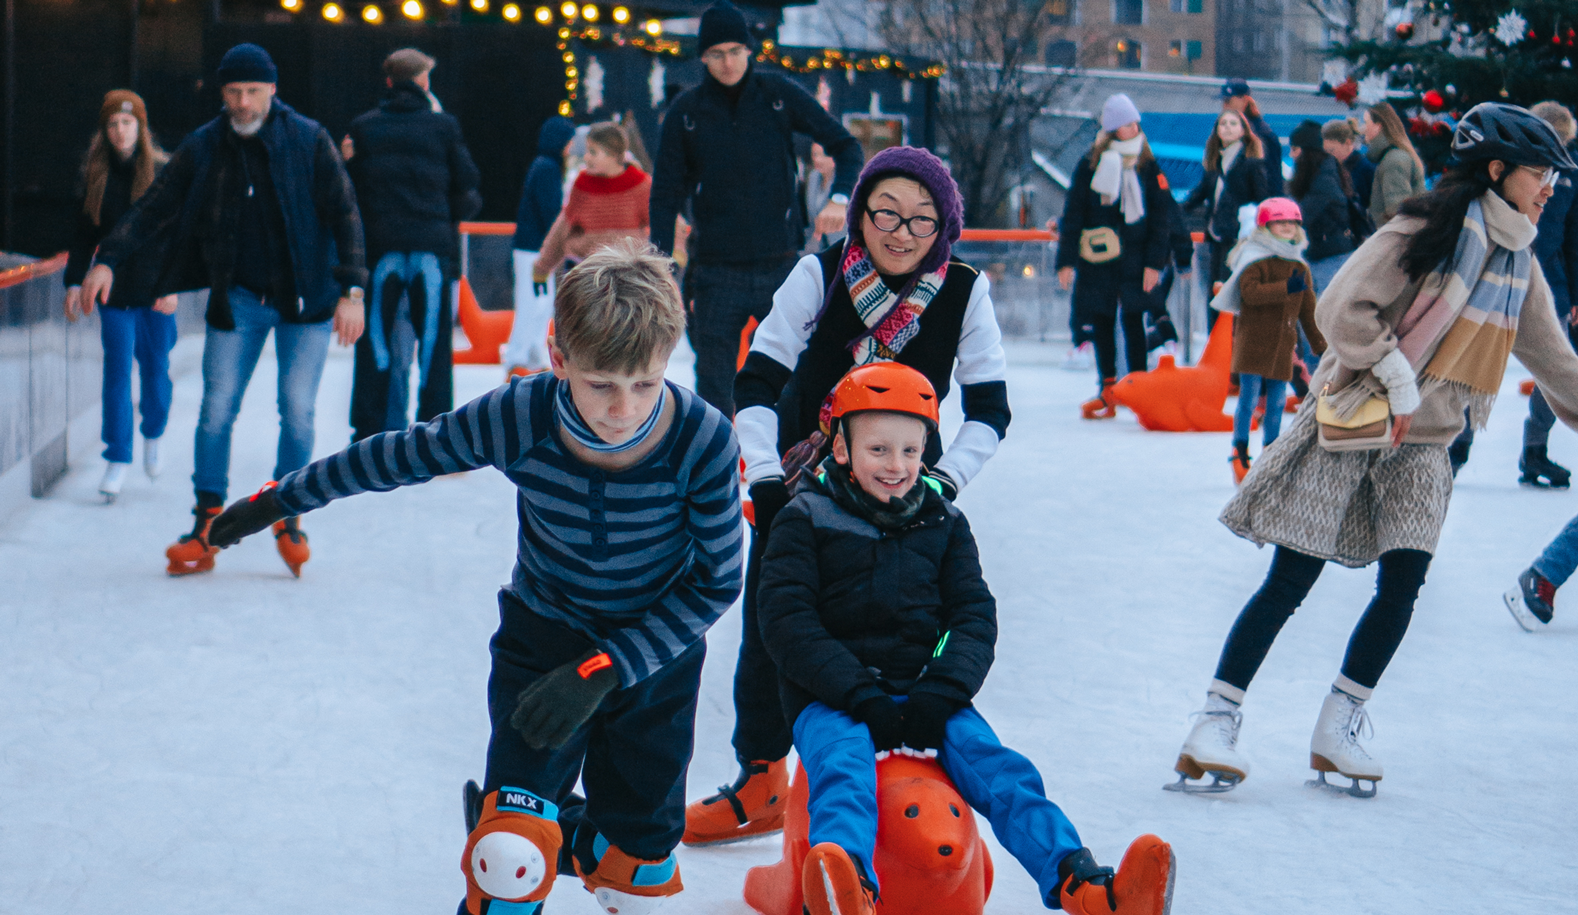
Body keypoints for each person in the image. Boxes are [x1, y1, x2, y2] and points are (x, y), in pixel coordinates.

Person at [204, 242, 743, 915]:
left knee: (631, 876)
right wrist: (284, 497)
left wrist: (609, 667)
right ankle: (515, 821)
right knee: (509, 859)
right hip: (545, 636)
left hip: (653, 661)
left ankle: (559, 829)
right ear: (559, 357)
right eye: (601, 382)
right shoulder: (521, 414)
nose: (623, 408)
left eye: (645, 383)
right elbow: (405, 454)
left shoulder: (703, 439)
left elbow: (718, 580)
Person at [1171, 103, 1578, 798]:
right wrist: (1395, 378)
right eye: (1542, 173)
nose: (1551, 188)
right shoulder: (1424, 229)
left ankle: (1339, 723)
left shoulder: (1519, 263)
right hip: (1355, 421)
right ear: (1499, 169)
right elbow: (1341, 308)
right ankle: (1215, 719)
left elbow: (1556, 361)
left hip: (1427, 445)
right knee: (1291, 579)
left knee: (1403, 585)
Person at [757, 362, 1174, 915]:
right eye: (878, 449)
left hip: (928, 691)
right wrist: (856, 693)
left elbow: (973, 615)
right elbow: (788, 621)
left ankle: (1086, 884)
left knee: (1004, 773)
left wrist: (942, 690)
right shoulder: (804, 519)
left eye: (910, 450)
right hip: (832, 699)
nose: (897, 466)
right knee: (843, 771)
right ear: (841, 449)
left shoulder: (943, 523)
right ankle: (845, 886)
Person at [683, 146, 1010, 847]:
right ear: (860, 211)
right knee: (774, 628)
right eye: (885, 211)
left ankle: (903, 760)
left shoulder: (962, 290)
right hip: (804, 482)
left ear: (943, 227)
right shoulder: (821, 271)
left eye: (921, 219)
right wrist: (766, 476)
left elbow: (990, 409)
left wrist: (941, 483)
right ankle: (761, 777)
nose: (900, 231)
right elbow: (758, 380)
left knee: (906, 622)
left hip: (905, 486)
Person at [78, 43, 366, 578]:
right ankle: (207, 520)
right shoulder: (206, 145)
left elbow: (346, 213)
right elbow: (156, 205)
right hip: (238, 300)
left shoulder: (308, 139)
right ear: (222, 93)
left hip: (307, 305)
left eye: (252, 91)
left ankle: (286, 511)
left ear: (272, 89)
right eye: (233, 92)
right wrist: (107, 259)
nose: (242, 102)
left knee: (298, 410)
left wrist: (353, 292)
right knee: (215, 411)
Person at [649, 0, 864, 417]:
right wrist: (662, 271)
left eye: (734, 51)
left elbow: (846, 145)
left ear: (750, 50)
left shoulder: (777, 95)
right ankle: (715, 473)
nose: (727, 62)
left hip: (780, 265)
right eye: (716, 53)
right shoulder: (687, 113)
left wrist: (840, 197)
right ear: (703, 57)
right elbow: (664, 197)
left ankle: (789, 469)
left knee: (791, 376)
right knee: (714, 383)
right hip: (715, 271)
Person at [343, 48, 482, 444]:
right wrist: (444, 217)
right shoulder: (444, 126)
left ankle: (372, 432)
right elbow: (468, 185)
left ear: (389, 82)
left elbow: (348, 190)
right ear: (423, 82)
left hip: (381, 249)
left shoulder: (364, 127)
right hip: (431, 248)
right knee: (435, 345)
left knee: (377, 343)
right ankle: (435, 437)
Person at [62, 89, 179, 502]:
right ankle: (117, 457)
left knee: (156, 373)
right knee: (116, 374)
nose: (119, 130)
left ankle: (154, 432)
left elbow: (177, 237)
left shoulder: (164, 171)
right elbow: (84, 234)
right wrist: (75, 282)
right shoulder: (96, 174)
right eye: (112, 123)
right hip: (113, 294)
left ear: (141, 128)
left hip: (155, 294)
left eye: (127, 123)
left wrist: (171, 287)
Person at [1055, 94, 1173, 420]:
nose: (1132, 127)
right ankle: (1107, 390)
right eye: (1125, 123)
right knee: (1102, 320)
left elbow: (1161, 219)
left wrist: (1154, 264)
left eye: (1134, 121)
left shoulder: (1148, 166)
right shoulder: (1090, 165)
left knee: (1134, 321)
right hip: (1099, 258)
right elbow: (1074, 213)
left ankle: (1138, 389)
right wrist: (1065, 261)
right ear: (1111, 129)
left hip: (1136, 257)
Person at [1209, 197, 1324, 483]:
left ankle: (1271, 450)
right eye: (1280, 222)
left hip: (1283, 345)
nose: (1286, 227)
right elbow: (1251, 294)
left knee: (1275, 402)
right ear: (1265, 226)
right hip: (1253, 343)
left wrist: (1319, 344)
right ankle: (1240, 448)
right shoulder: (1255, 259)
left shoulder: (1299, 265)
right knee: (1248, 399)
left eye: (1291, 223)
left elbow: (1308, 309)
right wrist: (1286, 287)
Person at [1515, 101, 1578, 488]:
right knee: (1474, 356)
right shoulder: (1510, 163)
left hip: (1550, 283)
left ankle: (1534, 450)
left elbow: (1571, 237)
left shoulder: (1569, 172)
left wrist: (1573, 295)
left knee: (1553, 368)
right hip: (1505, 272)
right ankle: (1457, 444)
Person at [533, 121, 650, 282]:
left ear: (613, 155)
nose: (586, 157)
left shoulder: (640, 184)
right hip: (586, 272)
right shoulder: (583, 184)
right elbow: (563, 227)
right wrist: (543, 266)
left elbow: (667, 218)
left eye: (593, 152)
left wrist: (677, 253)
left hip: (627, 275)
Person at [505, 115, 577, 378]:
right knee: (531, 302)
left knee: (542, 302)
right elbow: (550, 212)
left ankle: (533, 353)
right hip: (532, 248)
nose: (571, 146)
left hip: (535, 247)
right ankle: (517, 356)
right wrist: (561, 242)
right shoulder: (547, 168)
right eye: (569, 141)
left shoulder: (544, 165)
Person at [1182, 107, 1269, 293]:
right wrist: (1173, 212)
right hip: (1215, 236)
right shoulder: (1214, 166)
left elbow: (1263, 200)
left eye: (1233, 123)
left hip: (1238, 238)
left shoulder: (1251, 164)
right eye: (1223, 124)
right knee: (1213, 292)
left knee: (1229, 291)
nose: (1227, 127)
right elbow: (1196, 197)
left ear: (1243, 130)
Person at [1287, 119, 1357, 294]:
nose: (1291, 155)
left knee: (1321, 313)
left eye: (1295, 149)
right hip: (1322, 253)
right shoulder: (1323, 174)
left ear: (1307, 152)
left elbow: (1302, 216)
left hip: (1330, 257)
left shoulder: (1323, 181)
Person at [1362, 102, 1426, 228]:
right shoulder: (1391, 156)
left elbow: (1399, 214)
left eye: (1365, 122)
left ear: (1378, 126)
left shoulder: (1394, 160)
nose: (1362, 128)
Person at [1220, 78, 1284, 196]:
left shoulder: (1262, 135)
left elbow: (1271, 177)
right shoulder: (1227, 133)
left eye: (1229, 101)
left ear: (1244, 101)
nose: (1224, 106)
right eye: (1224, 101)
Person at [1322, 117, 1375, 214]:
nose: (1329, 156)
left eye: (1332, 150)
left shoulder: (1365, 169)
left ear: (1347, 143)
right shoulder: (1330, 168)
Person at [801, 141, 845, 253]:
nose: (817, 159)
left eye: (824, 155)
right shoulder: (813, 177)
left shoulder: (844, 184)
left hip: (842, 244)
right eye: (815, 154)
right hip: (817, 245)